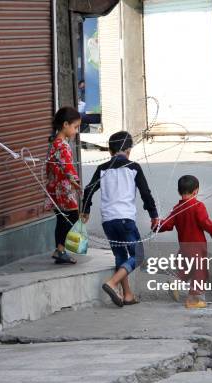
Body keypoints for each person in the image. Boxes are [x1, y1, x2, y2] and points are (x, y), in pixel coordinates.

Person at [81, 131, 159, 307]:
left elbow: (88, 189)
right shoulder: (133, 167)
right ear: (129, 150)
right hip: (125, 220)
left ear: (110, 150)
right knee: (138, 255)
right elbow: (145, 193)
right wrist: (153, 215)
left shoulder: (102, 169)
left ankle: (128, 295)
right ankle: (112, 283)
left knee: (120, 255)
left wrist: (85, 210)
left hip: (108, 221)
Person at [153, 175, 212, 309]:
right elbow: (205, 223)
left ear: (179, 191)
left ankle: (176, 283)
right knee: (199, 272)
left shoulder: (177, 208)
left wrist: (157, 224)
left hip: (184, 247)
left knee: (186, 269)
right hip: (197, 247)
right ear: (196, 191)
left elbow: (167, 224)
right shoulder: (198, 206)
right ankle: (193, 300)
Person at [45, 107, 83, 264]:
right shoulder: (62, 145)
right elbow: (68, 167)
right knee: (71, 217)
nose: (76, 131)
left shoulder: (55, 143)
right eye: (75, 127)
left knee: (62, 218)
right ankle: (60, 249)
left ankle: (60, 250)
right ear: (66, 124)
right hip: (64, 189)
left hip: (55, 187)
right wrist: (76, 181)